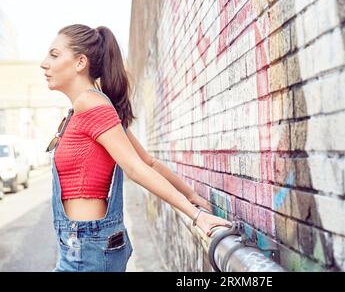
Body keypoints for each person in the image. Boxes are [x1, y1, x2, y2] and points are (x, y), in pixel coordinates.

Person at [40, 24, 232, 272]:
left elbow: (135, 167)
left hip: (86, 249)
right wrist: (191, 196)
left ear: (80, 63)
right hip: (80, 246)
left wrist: (196, 215)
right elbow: (149, 162)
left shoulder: (91, 104)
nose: (44, 63)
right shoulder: (85, 110)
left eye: (54, 55)